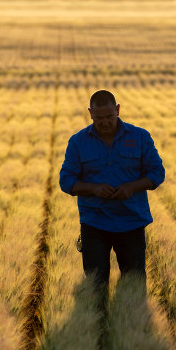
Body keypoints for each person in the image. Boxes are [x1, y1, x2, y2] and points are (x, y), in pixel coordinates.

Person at [59, 90, 165, 288]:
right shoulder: (78, 142)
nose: (105, 122)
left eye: (110, 116)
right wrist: (94, 189)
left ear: (117, 110)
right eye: (99, 118)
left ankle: (133, 319)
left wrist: (131, 187)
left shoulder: (140, 137)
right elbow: (66, 181)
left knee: (134, 285)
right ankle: (97, 319)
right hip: (94, 224)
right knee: (95, 287)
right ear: (90, 113)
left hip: (131, 222)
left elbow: (157, 173)